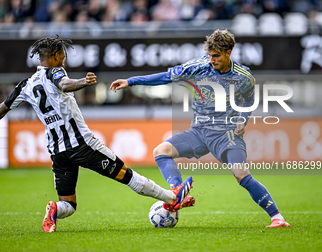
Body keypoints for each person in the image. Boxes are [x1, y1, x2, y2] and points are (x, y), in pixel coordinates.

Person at [0, 35, 193, 233]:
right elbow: (64, 84)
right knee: (127, 175)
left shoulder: (26, 85)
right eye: (62, 56)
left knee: (69, 204)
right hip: (82, 145)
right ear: (55, 55)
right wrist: (82, 82)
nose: (64, 61)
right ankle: (172, 197)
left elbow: (2, 108)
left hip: (57, 151)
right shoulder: (56, 72)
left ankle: (55, 208)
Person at [110, 29, 291, 228]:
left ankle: (277, 217)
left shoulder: (244, 76)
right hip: (199, 131)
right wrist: (131, 81)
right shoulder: (199, 67)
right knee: (160, 151)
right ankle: (178, 192)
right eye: (209, 55)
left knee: (241, 174)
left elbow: (249, 98)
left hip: (227, 134)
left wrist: (243, 118)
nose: (211, 60)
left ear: (228, 53)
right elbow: (167, 77)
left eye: (216, 56)